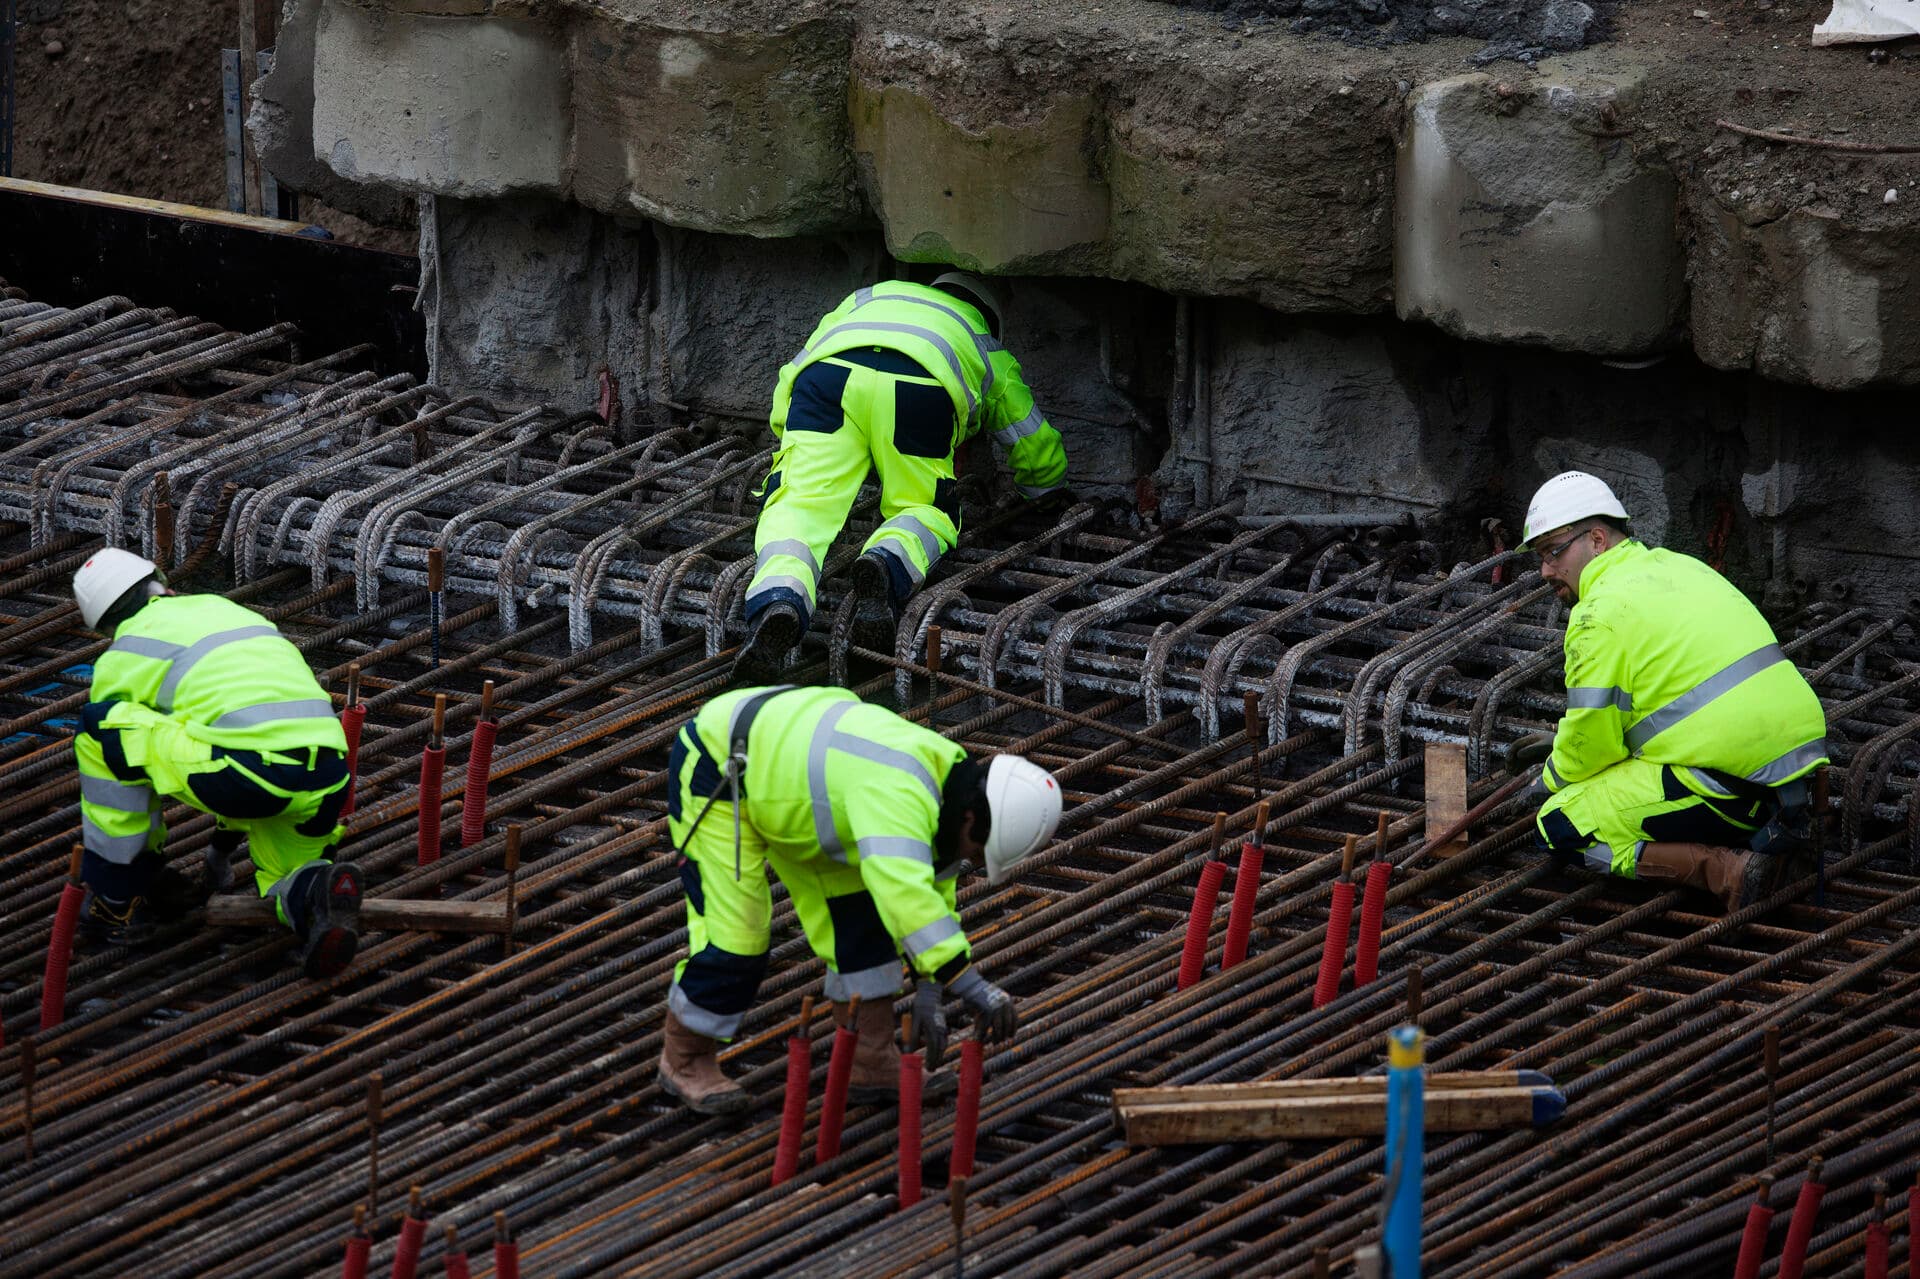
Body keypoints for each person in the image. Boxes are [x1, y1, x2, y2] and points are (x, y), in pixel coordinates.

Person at [658, 683, 1063, 1115]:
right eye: (979, 850)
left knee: (863, 925)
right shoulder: (900, 793)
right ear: (971, 817)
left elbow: (928, 889)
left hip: (802, 797)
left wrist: (930, 984)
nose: (973, 860)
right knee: (738, 941)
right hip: (722, 770)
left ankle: (870, 1061)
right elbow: (904, 891)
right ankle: (683, 1059)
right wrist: (965, 980)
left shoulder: (954, 784)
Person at [1508, 472, 1829, 911]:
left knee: (1561, 823)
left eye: (1552, 551)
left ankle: (1726, 872)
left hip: (1730, 786)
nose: (1545, 569)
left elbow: (1591, 745)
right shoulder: (1679, 566)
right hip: (1795, 777)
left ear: (1598, 540)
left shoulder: (1599, 613)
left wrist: (1548, 781)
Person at [734, 272, 1069, 680]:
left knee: (798, 503)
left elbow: (797, 368)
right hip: (919, 386)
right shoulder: (982, 341)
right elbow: (1029, 436)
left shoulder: (867, 297)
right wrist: (1045, 491)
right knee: (924, 507)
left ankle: (778, 597)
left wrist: (789, 435)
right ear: (988, 316)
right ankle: (886, 564)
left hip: (827, 381)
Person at [70, 548, 363, 978]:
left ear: (106, 627)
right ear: (163, 583)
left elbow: (130, 759)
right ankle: (316, 902)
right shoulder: (229, 611)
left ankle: (117, 897)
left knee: (101, 731)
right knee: (289, 876)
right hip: (326, 777)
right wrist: (219, 852)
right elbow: (248, 728)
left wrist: (143, 872)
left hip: (246, 777)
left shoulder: (126, 651)